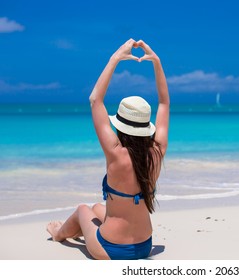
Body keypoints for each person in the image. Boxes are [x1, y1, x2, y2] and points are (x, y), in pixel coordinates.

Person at [46, 38, 169, 260]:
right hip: (144, 246)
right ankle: (83, 230)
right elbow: (164, 103)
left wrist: (116, 58)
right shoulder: (156, 152)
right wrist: (157, 63)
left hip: (110, 250)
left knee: (84, 209)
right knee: (96, 207)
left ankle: (58, 234)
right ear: (145, 126)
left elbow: (95, 100)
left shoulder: (115, 152)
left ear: (121, 125)